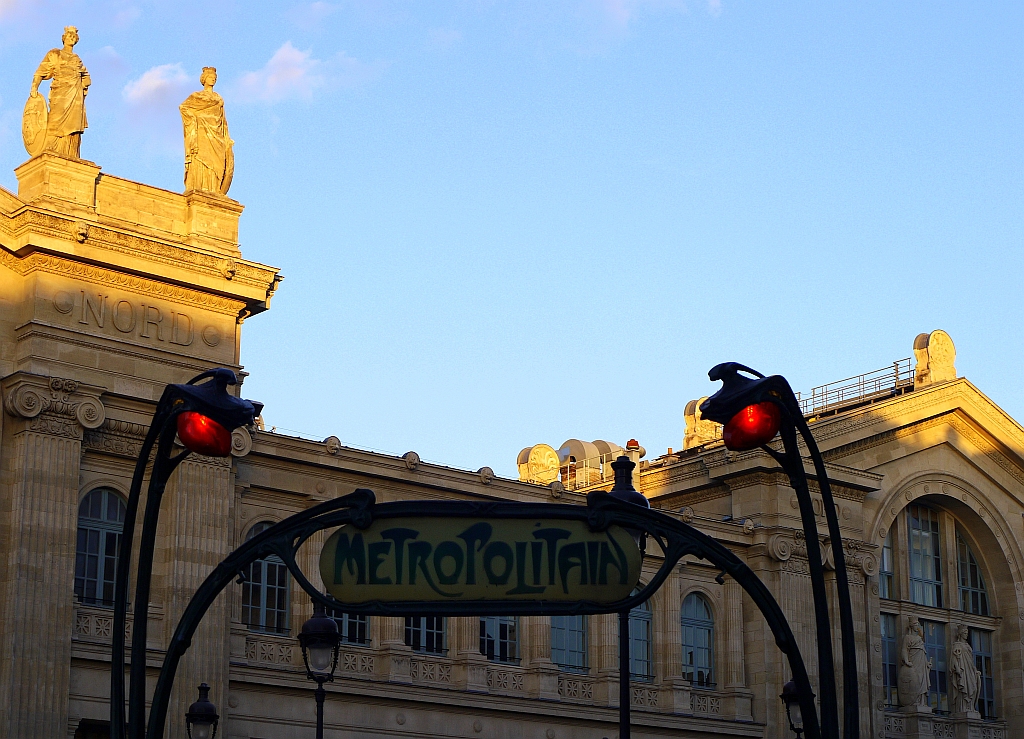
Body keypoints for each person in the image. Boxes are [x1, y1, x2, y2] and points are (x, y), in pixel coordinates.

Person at [26, 26, 91, 159]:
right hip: (60, 94)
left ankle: (71, 154)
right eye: (69, 35)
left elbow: (87, 78)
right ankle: (51, 149)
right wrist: (34, 87)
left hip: (75, 97)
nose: (71, 38)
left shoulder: (77, 59)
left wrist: (81, 84)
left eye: (74, 36)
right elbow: (41, 72)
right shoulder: (55, 54)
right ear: (64, 38)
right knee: (55, 122)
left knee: (74, 129)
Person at [180, 67, 234, 195]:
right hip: (202, 133)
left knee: (218, 164)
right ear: (204, 79)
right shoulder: (197, 96)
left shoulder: (219, 100)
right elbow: (184, 108)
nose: (213, 78)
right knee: (202, 160)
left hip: (217, 136)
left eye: (214, 77)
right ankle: (201, 187)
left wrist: (227, 139)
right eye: (210, 77)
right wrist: (196, 119)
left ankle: (214, 189)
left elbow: (223, 122)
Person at [897, 616, 931, 707]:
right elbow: (904, 650)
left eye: (917, 624)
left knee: (922, 681)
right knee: (916, 680)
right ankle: (915, 701)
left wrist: (927, 663)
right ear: (912, 626)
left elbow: (922, 652)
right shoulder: (908, 637)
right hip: (913, 662)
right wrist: (907, 661)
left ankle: (921, 701)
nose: (917, 626)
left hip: (921, 662)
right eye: (916, 624)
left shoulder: (919, 639)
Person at [949, 624, 981, 714]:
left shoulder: (967, 645)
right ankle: (963, 708)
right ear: (960, 634)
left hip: (970, 670)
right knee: (964, 689)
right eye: (965, 633)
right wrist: (957, 669)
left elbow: (970, 660)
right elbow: (954, 659)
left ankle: (970, 707)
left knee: (973, 688)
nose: (966, 635)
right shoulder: (957, 645)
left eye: (967, 633)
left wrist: (975, 670)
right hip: (963, 670)